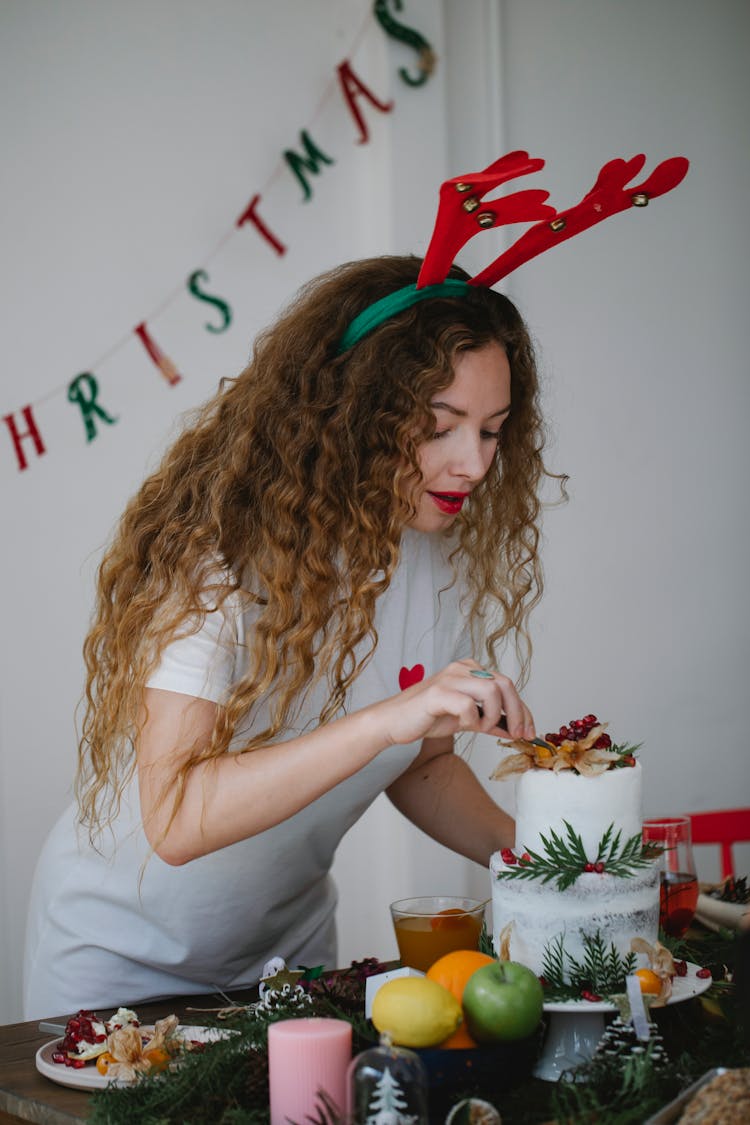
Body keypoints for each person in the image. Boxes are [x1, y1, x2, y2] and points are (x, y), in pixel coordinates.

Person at [23, 253, 552, 1019]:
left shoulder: (436, 552)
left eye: (493, 431)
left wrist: (535, 860)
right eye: (438, 427)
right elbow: (173, 819)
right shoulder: (218, 555)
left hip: (287, 957)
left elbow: (420, 764)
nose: (471, 464)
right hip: (120, 962)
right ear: (355, 408)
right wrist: (384, 720)